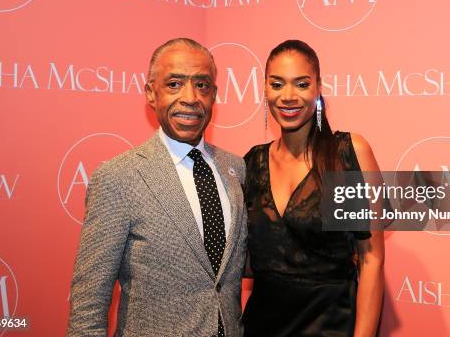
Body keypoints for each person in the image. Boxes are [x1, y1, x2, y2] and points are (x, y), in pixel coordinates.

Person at [67, 38, 247, 337]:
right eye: (174, 84)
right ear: (151, 93)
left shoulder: (235, 168)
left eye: (202, 85)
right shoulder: (118, 176)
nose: (190, 97)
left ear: (214, 94)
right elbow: (90, 297)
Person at [242, 40, 385, 336]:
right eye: (277, 84)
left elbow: (372, 258)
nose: (288, 96)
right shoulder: (252, 162)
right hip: (261, 326)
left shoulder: (347, 154)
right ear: (265, 89)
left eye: (302, 84)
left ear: (318, 88)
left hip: (329, 326)